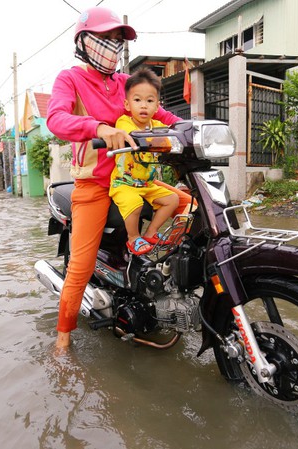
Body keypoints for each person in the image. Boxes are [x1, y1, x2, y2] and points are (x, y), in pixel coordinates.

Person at [46, 6, 193, 350]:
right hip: (94, 186)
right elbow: (57, 119)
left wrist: (191, 127)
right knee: (80, 266)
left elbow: (160, 113)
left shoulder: (126, 84)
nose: (112, 47)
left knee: (189, 204)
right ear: (84, 41)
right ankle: (63, 339)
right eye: (105, 39)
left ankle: (157, 267)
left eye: (117, 40)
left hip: (134, 180)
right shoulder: (70, 79)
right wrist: (97, 127)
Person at [110, 68, 179, 255]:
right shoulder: (124, 122)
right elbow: (133, 135)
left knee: (173, 199)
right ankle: (133, 238)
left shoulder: (158, 126)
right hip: (124, 183)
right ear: (127, 103)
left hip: (147, 184)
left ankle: (151, 231)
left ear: (157, 107)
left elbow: (174, 133)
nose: (143, 106)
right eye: (137, 100)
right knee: (135, 203)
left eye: (149, 101)